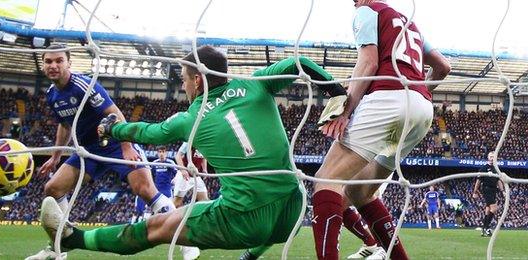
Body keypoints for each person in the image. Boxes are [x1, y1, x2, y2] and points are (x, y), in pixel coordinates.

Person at [34, 45, 347, 258]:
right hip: (292, 210)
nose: (183, 87)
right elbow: (299, 62)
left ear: (197, 80)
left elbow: (147, 132)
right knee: (267, 196)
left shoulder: (189, 120)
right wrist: (336, 94)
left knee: (157, 228)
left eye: (183, 80)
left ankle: (75, 240)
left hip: (243, 220)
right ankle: (251, 255)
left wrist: (112, 129)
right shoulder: (256, 83)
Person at [311, 0, 451, 259]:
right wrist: (416, 95)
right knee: (359, 191)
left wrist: (345, 110)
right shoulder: (411, 25)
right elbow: (443, 67)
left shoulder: (367, 11)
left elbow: (368, 63)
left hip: (387, 98)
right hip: (422, 109)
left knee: (326, 179)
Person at [26, 44, 175, 260]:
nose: (53, 65)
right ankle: (58, 249)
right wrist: (56, 157)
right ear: (43, 64)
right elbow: (65, 125)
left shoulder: (82, 85)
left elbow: (114, 113)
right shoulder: (52, 95)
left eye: (59, 60)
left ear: (69, 63)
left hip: (114, 143)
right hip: (88, 150)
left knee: (144, 190)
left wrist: (127, 147)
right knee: (53, 189)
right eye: (48, 61)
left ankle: (185, 243)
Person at [132, 145, 177, 223]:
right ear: (157, 153)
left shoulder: (170, 162)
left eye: (163, 152)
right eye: (160, 152)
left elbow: (177, 173)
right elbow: (150, 175)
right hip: (156, 190)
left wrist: (175, 179)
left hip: (167, 190)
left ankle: (169, 224)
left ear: (166, 153)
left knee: (169, 209)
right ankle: (146, 223)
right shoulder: (154, 163)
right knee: (150, 208)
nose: (161, 154)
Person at [472, 152, 504, 237]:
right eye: (491, 156)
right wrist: (475, 192)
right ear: (488, 157)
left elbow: (498, 180)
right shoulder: (484, 168)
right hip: (487, 189)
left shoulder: (496, 168)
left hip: (494, 190)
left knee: (488, 209)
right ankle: (487, 228)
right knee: (494, 208)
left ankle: (484, 228)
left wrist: (502, 191)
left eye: (494, 156)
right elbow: (478, 180)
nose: (492, 158)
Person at [173, 142, 209, 208]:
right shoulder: (188, 142)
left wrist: (204, 169)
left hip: (196, 176)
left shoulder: (204, 143)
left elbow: (204, 157)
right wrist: (183, 170)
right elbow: (178, 156)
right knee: (177, 203)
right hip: (185, 176)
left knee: (204, 201)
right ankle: (164, 217)